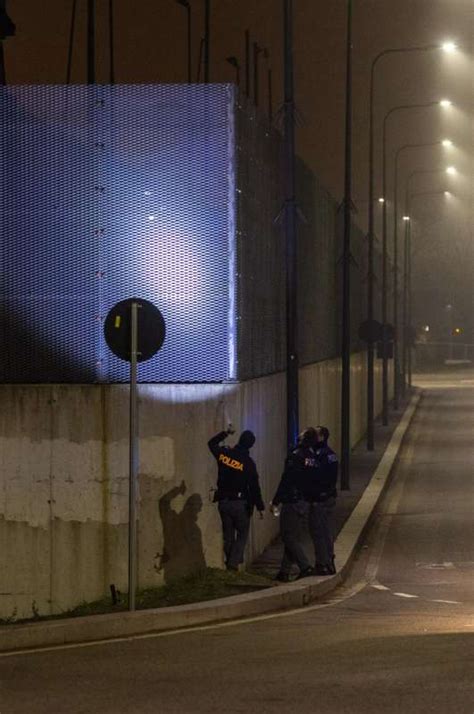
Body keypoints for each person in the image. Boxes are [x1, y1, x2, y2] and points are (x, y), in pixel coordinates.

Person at [208, 427, 265, 571]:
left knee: (228, 535)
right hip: (240, 504)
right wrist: (260, 507)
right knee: (242, 535)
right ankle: (232, 566)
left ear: (239, 440)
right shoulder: (248, 463)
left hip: (224, 502)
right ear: (251, 445)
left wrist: (225, 433)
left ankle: (230, 562)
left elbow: (211, 444)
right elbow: (254, 486)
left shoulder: (225, 455)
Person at [270, 427, 318, 582]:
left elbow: (287, 479)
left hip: (292, 500)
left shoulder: (295, 456)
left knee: (287, 536)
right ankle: (284, 572)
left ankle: (305, 566)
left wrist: (276, 500)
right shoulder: (312, 457)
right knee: (292, 537)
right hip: (305, 501)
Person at [307, 425, 338, 576]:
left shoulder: (319, 455)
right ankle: (329, 560)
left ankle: (322, 563)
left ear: (322, 437)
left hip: (320, 499)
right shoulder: (331, 454)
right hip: (329, 497)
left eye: (316, 435)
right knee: (326, 531)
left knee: (318, 532)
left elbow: (317, 478)